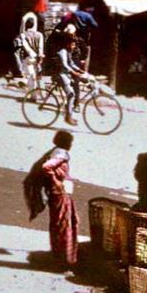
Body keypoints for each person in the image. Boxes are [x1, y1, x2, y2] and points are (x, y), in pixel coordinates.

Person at [23, 130, 79, 271]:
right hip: (59, 193)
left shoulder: (54, 151)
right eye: (70, 142)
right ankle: (64, 261)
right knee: (64, 225)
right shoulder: (61, 154)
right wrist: (56, 181)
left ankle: (59, 257)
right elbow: (46, 167)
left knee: (58, 224)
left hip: (56, 193)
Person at [55, 31, 85, 126]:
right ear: (67, 44)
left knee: (73, 92)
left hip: (65, 75)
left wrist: (80, 70)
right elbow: (65, 64)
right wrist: (74, 72)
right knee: (71, 94)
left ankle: (68, 113)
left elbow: (71, 63)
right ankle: (68, 117)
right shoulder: (63, 52)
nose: (73, 47)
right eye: (72, 44)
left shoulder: (68, 52)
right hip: (60, 75)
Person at [16, 12, 45, 93]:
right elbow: (40, 47)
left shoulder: (23, 35)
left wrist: (32, 54)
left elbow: (25, 46)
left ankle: (33, 95)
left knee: (31, 77)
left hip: (28, 58)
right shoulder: (39, 35)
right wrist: (39, 57)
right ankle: (43, 93)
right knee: (38, 75)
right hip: (38, 58)